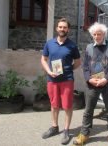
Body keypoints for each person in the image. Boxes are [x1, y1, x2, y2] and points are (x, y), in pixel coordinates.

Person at [73, 22, 108, 146]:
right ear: (92, 35)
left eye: (99, 34)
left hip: (107, 83)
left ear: (104, 34)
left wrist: (106, 79)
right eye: (94, 34)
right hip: (92, 84)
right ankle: (84, 133)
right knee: (88, 110)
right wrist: (89, 79)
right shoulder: (89, 47)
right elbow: (85, 66)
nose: (97, 36)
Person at [40, 17, 81, 145]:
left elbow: (78, 62)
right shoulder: (49, 43)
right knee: (54, 104)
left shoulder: (72, 45)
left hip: (67, 80)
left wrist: (68, 69)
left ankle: (66, 130)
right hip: (52, 79)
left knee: (67, 106)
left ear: (68, 29)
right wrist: (48, 71)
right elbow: (43, 59)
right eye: (60, 27)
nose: (62, 29)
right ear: (57, 28)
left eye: (65, 27)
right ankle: (54, 127)